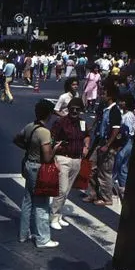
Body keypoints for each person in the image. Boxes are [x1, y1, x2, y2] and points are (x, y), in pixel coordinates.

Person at [15, 98, 58, 249]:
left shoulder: (30, 126)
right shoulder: (44, 132)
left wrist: (28, 148)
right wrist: (55, 148)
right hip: (38, 168)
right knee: (41, 203)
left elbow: (16, 139)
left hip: (28, 164)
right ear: (49, 114)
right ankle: (42, 238)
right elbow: (47, 157)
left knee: (27, 201)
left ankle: (23, 234)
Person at [49, 97, 90, 231]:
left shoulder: (82, 123)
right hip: (63, 158)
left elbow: (87, 135)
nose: (75, 111)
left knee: (67, 190)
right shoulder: (60, 122)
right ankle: (53, 216)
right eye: (72, 109)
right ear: (69, 109)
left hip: (77, 160)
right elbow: (52, 138)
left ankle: (59, 214)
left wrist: (86, 146)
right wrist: (55, 149)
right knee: (62, 189)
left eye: (78, 109)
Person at [84, 83, 121, 207]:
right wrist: (92, 127)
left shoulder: (115, 111)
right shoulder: (104, 108)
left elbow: (116, 129)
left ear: (110, 96)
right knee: (91, 166)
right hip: (99, 141)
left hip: (107, 145)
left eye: (104, 94)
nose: (102, 95)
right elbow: (99, 119)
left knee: (104, 172)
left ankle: (106, 198)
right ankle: (93, 193)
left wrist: (108, 144)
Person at [113, 95, 135, 197]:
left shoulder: (128, 116)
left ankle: (111, 187)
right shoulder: (126, 114)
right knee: (122, 167)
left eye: (122, 101)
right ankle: (124, 188)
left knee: (117, 164)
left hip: (126, 143)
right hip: (127, 142)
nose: (119, 103)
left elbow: (126, 133)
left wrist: (120, 145)